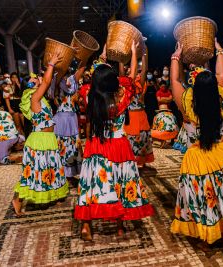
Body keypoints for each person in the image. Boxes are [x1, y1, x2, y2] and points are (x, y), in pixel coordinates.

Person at [169, 41, 223, 250]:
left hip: (197, 158)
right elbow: (219, 76)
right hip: (220, 154)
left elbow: (175, 79)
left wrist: (176, 56)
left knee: (201, 197)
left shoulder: (187, 106)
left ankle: (205, 234)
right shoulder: (221, 101)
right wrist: (219, 51)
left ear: (194, 89)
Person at [74, 41, 154, 241]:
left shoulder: (89, 95)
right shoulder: (123, 95)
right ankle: (120, 226)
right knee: (120, 181)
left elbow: (95, 78)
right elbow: (131, 75)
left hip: (96, 145)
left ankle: (86, 225)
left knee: (92, 184)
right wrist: (134, 53)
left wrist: (102, 56)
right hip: (119, 145)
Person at [12, 53, 69, 216]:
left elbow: (50, 82)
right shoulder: (34, 98)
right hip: (38, 141)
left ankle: (52, 195)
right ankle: (17, 199)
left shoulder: (42, 99)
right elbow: (46, 81)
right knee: (33, 174)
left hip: (49, 139)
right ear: (31, 85)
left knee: (50, 171)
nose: (39, 79)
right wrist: (50, 64)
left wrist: (56, 68)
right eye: (36, 79)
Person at [53, 60, 86, 184]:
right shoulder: (57, 82)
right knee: (65, 145)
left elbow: (81, 69)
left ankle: (69, 174)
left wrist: (84, 57)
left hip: (70, 117)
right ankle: (63, 174)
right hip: (63, 118)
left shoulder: (68, 81)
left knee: (71, 145)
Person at [123, 46, 154, 168]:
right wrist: (123, 57)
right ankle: (132, 161)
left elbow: (144, 71)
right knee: (131, 139)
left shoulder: (140, 84)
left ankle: (143, 161)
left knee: (144, 138)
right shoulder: (125, 86)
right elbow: (128, 70)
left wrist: (145, 53)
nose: (135, 74)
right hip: (130, 115)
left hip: (141, 114)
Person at [151, 81, 179, 147]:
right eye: (162, 86)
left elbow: (171, 99)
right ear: (160, 86)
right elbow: (159, 100)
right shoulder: (158, 92)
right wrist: (167, 99)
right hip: (160, 111)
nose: (163, 87)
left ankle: (172, 139)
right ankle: (160, 139)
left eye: (164, 86)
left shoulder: (168, 92)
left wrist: (163, 99)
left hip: (169, 111)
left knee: (172, 120)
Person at [3, 72, 25, 136]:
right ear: (10, 78)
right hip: (13, 104)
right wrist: (9, 108)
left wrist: (18, 84)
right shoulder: (7, 87)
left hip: (21, 104)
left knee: (24, 123)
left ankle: (27, 137)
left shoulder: (21, 86)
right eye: (13, 77)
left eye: (16, 77)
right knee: (17, 124)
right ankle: (21, 138)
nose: (14, 79)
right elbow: (6, 99)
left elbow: (23, 94)